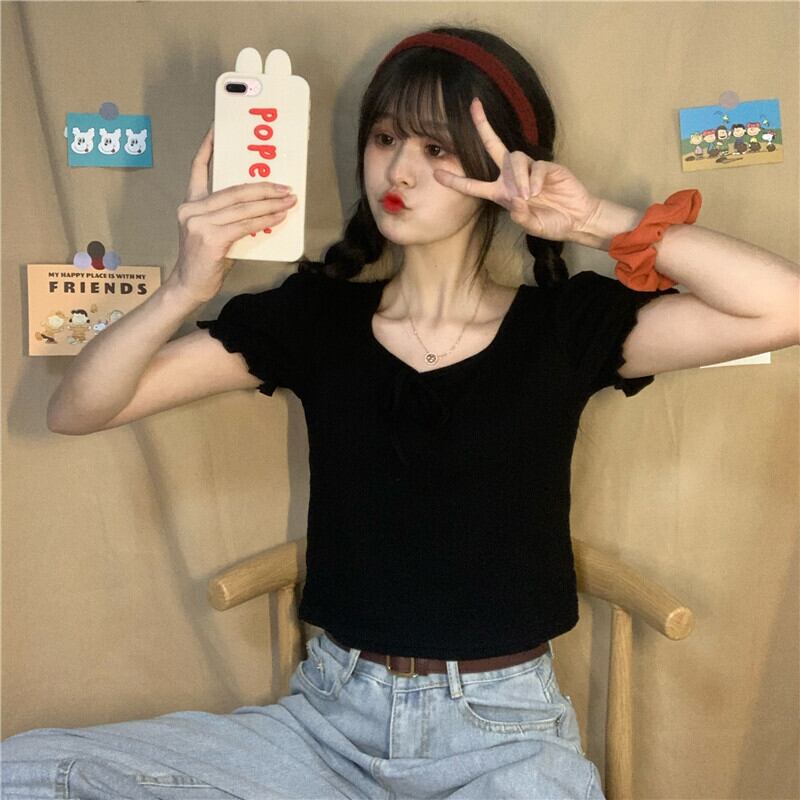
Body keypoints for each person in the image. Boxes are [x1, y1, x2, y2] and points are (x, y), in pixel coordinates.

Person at [3, 25, 798, 800]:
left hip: (503, 735)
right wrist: (185, 286)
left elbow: (783, 307)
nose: (400, 169)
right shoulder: (315, 319)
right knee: (29, 772)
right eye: (385, 137)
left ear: (501, 166)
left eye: (437, 149)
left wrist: (593, 218)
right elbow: (79, 408)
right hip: (325, 730)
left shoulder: (564, 328)